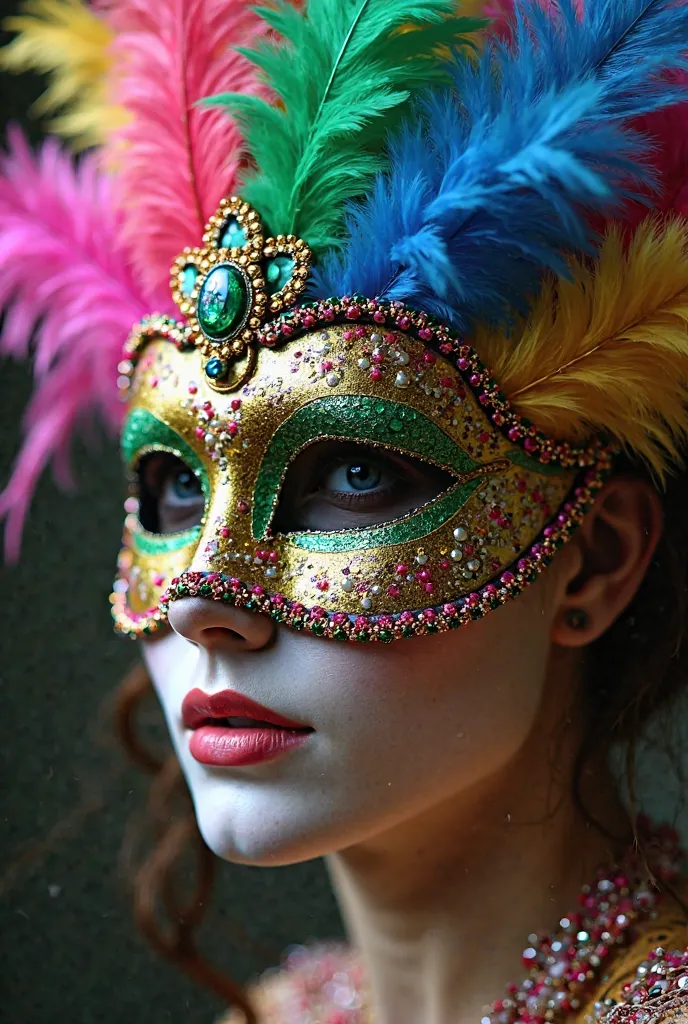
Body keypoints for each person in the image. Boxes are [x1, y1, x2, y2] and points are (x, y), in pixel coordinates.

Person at [1, 0, 688, 1022]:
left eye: (356, 473)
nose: (202, 605)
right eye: (177, 484)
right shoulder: (279, 1011)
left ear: (592, 558)